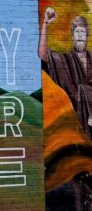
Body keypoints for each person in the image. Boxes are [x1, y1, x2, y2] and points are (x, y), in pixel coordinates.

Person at [38, 7, 92, 138]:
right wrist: (45, 24)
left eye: (82, 32)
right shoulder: (65, 61)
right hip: (75, 123)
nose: (80, 35)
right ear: (72, 36)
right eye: (77, 32)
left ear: (87, 36)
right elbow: (43, 55)